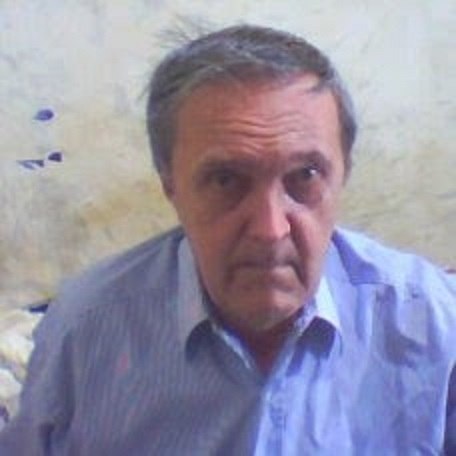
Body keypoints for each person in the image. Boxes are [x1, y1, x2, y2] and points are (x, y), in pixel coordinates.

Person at [0, 23, 454, 455]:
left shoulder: (432, 322)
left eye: (305, 176)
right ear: (170, 184)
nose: (270, 230)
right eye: (225, 180)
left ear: (343, 175)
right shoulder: (86, 332)